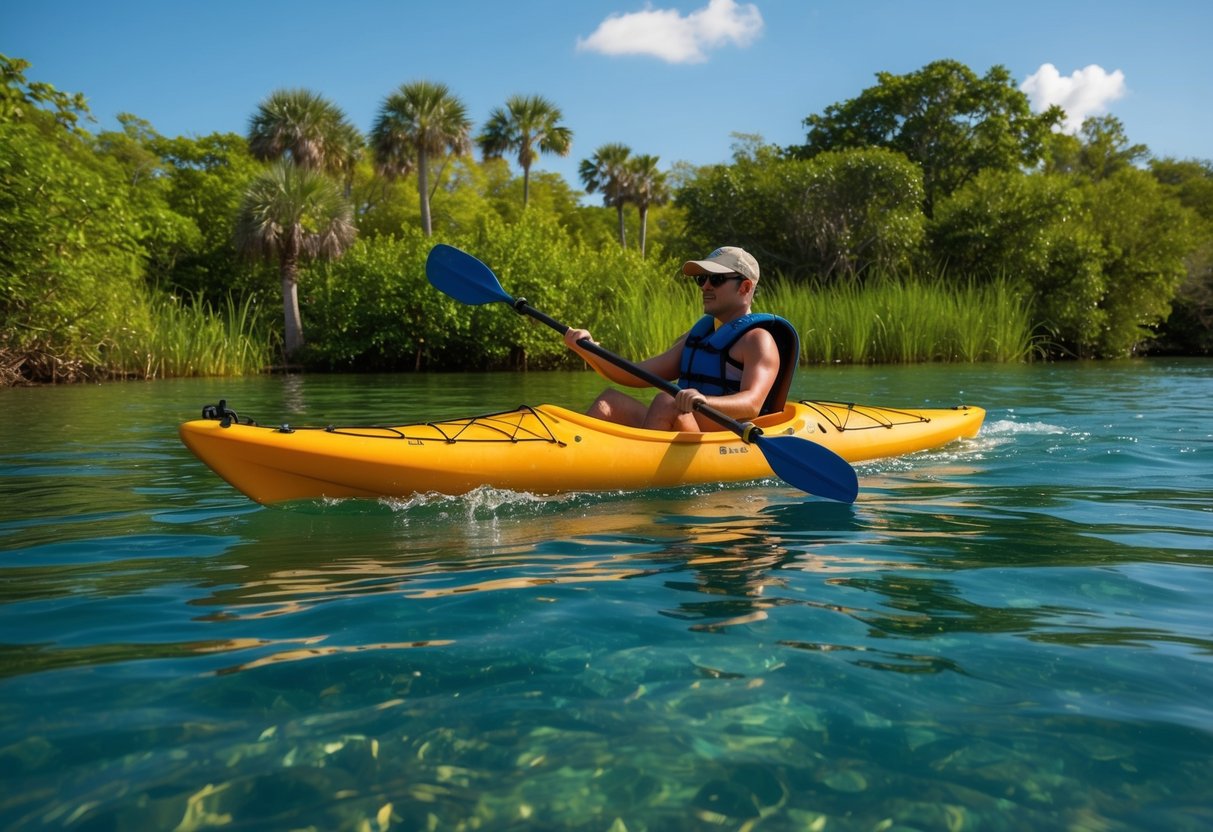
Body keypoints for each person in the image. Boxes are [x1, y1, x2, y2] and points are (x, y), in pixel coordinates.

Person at [563, 246, 799, 432]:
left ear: (745, 287)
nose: (705, 286)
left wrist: (702, 400)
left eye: (715, 279)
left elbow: (752, 404)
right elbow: (634, 373)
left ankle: (641, 478)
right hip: (682, 426)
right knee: (610, 400)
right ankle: (571, 465)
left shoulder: (758, 341)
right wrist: (589, 350)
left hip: (722, 440)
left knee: (667, 402)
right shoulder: (698, 336)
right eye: (701, 279)